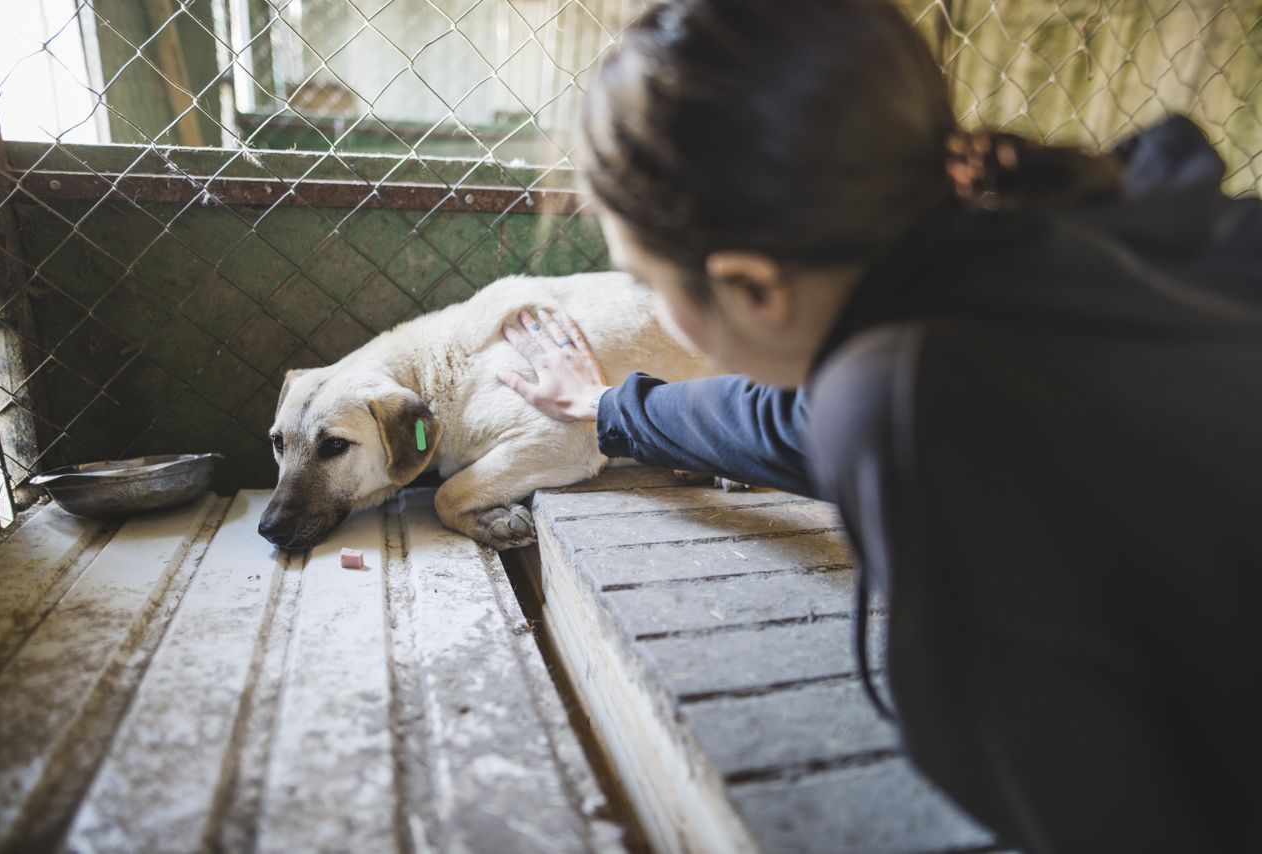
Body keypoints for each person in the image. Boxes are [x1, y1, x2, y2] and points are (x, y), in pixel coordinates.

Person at [496, 1, 1262, 851]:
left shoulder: (905, 392)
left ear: (752, 286)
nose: (657, 314)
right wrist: (612, 408)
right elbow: (789, 420)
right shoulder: (1070, 231)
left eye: (647, 281)